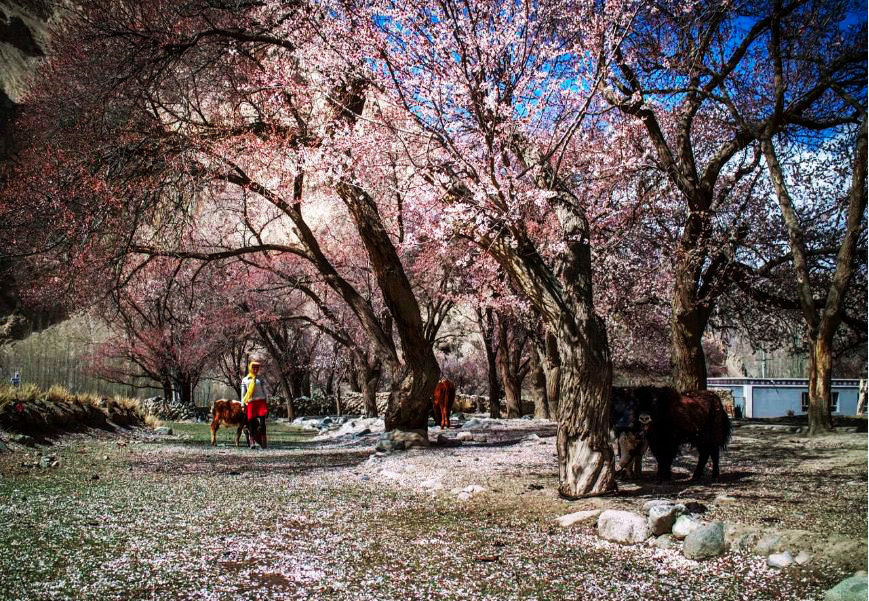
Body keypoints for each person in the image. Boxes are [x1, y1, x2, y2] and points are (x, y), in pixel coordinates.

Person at [240, 361, 269, 449]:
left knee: (262, 423)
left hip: (261, 402)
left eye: (257, 368)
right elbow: (243, 393)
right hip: (251, 403)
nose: (255, 369)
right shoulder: (245, 380)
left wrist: (267, 401)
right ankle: (252, 441)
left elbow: (265, 390)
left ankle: (263, 441)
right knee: (251, 423)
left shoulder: (260, 379)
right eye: (254, 367)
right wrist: (242, 404)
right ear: (250, 368)